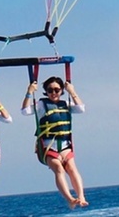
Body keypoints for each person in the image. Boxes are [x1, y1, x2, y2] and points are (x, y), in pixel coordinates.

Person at [21, 76, 88, 208]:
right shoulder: (41, 105)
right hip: (48, 147)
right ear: (46, 91)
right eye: (50, 90)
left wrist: (72, 91)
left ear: (62, 90)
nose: (53, 93)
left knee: (72, 168)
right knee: (59, 169)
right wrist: (29, 92)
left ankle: (81, 197)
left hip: (65, 145)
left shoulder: (66, 104)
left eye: (57, 90)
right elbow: (25, 111)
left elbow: (81, 109)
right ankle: (70, 199)